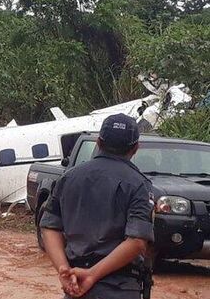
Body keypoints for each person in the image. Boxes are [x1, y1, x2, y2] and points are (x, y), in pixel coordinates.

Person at [40, 113, 155, 299]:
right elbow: (136, 242)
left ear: (98, 143)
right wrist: (92, 274)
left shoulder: (69, 178)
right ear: (135, 148)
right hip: (119, 288)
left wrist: (64, 270)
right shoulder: (139, 185)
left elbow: (49, 226)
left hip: (75, 285)